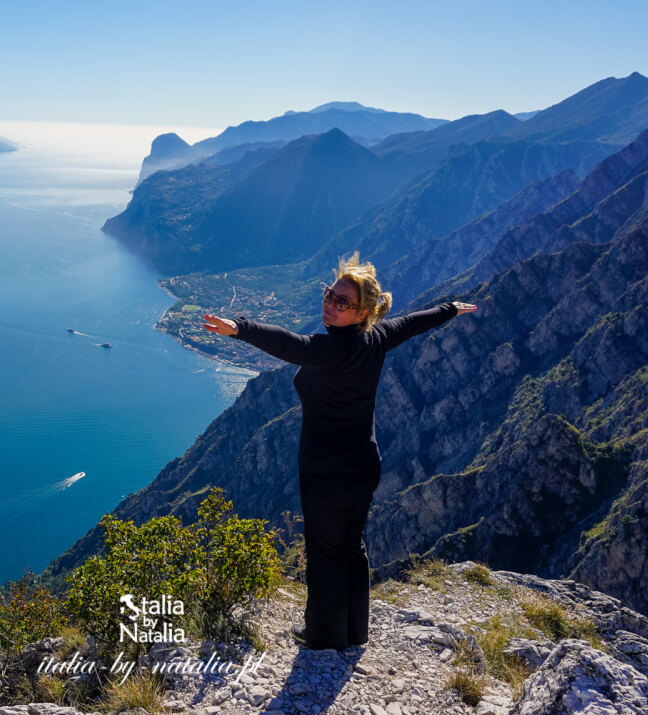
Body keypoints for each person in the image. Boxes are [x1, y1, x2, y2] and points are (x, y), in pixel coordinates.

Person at [202, 252, 476, 651]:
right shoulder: (376, 338)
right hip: (364, 464)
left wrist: (240, 328)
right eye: (330, 294)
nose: (329, 304)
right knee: (350, 547)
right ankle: (353, 632)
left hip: (325, 471)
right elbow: (412, 323)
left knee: (324, 553)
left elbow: (287, 343)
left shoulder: (332, 350)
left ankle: (322, 637)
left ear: (361, 312)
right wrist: (449, 309)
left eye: (341, 302)